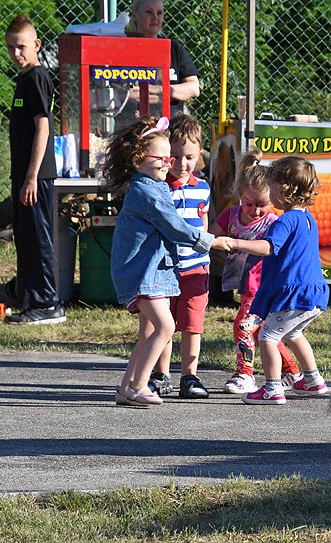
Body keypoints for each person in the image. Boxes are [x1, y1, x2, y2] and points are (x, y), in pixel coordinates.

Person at [104, 116, 228, 406]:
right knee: (166, 327)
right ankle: (139, 386)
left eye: (169, 158)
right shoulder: (147, 193)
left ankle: (126, 388)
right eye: (161, 158)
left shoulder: (153, 186)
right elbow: (175, 226)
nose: (169, 163)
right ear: (138, 160)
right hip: (143, 274)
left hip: (150, 273)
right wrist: (211, 241)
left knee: (150, 330)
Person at [217, 155, 329, 405]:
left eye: (272, 186)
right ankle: (313, 380)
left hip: (294, 293)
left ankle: (272, 388)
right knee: (294, 332)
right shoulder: (308, 218)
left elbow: (268, 247)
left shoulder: (287, 219)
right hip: (313, 292)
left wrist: (235, 243)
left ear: (283, 190)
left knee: (268, 336)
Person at [209, 148, 302, 394]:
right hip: (242, 282)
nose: (256, 210)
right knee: (262, 329)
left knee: (243, 325)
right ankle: (291, 371)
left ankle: (245, 373)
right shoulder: (231, 216)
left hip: (261, 284)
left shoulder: (273, 222)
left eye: (263, 205)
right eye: (249, 204)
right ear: (240, 195)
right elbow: (211, 235)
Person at [3, 15, 65, 325]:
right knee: (25, 236)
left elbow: (43, 126)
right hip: (23, 176)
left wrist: (31, 176)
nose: (16, 54)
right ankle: (30, 298)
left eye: (22, 47)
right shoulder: (23, 80)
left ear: (36, 45)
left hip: (36, 176)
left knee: (39, 237)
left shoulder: (38, 78)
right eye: (11, 48)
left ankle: (48, 303)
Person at [148, 114, 211, 399]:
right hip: (165, 270)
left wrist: (206, 252)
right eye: (175, 156)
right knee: (166, 324)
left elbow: (203, 222)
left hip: (196, 269)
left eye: (190, 157)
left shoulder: (203, 188)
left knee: (192, 324)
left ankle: (190, 376)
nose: (183, 164)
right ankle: (161, 375)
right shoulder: (159, 189)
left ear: (199, 155)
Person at [129, 0, 199, 117]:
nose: (155, 17)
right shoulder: (124, 48)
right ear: (135, 15)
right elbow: (118, 93)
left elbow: (194, 88)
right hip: (132, 125)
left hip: (171, 125)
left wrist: (156, 90)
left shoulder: (174, 48)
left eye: (159, 13)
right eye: (148, 12)